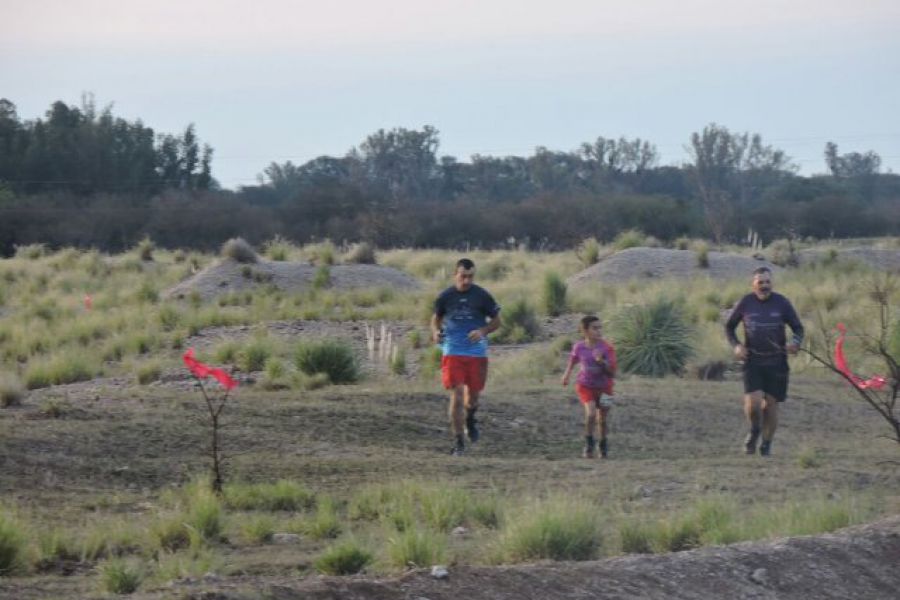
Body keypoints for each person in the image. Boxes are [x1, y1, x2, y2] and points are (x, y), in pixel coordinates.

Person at [725, 266, 804, 457]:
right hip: (753, 360)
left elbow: (798, 328)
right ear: (753, 284)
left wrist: (795, 343)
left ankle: (766, 444)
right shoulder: (745, 303)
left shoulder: (782, 303)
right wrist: (736, 345)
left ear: (772, 284)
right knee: (753, 404)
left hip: (777, 362)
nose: (764, 286)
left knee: (770, 406)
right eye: (760, 282)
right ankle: (754, 431)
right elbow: (729, 327)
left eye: (768, 282)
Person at [431, 258, 502, 456]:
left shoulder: (482, 296)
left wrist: (483, 330)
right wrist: (436, 332)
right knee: (457, 394)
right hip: (453, 351)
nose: (467, 281)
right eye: (463, 276)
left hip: (477, 353)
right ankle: (458, 442)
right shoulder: (445, 296)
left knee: (473, 399)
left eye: (470, 277)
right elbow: (435, 319)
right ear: (455, 275)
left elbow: (497, 321)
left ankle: (470, 418)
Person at [561, 315, 617, 458]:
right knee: (591, 414)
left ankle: (603, 445)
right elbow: (573, 359)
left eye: (600, 328)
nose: (599, 331)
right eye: (595, 328)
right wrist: (566, 375)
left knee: (602, 419)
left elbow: (612, 372)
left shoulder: (607, 347)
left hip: (606, 388)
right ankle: (589, 444)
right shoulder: (579, 347)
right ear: (585, 331)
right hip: (585, 386)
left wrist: (602, 362)